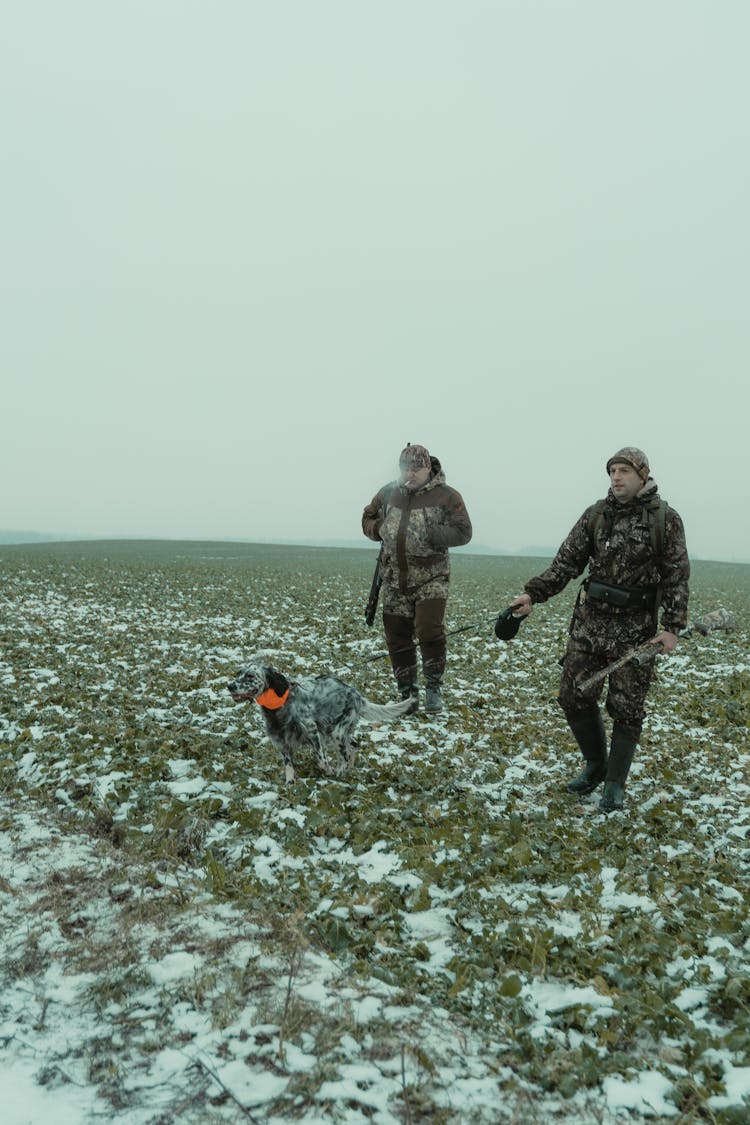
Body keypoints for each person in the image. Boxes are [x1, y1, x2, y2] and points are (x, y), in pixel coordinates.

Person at [511, 447, 689, 812]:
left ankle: (614, 785)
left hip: (636, 628)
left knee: (627, 708)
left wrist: (672, 627)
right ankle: (595, 765)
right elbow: (566, 563)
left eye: (624, 470)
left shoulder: (664, 519)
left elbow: (677, 575)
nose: (617, 478)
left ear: (642, 474)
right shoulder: (596, 515)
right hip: (590, 624)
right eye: (612, 471)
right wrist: (533, 594)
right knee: (572, 695)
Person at [362, 443, 472, 714]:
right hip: (394, 577)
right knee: (396, 636)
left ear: (428, 468)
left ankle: (433, 690)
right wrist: (378, 530)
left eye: (416, 468)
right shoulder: (388, 493)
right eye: (404, 468)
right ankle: (407, 697)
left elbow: (464, 531)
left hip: (431, 577)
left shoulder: (447, 496)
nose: (409, 473)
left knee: (428, 630)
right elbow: (368, 517)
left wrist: (433, 534)